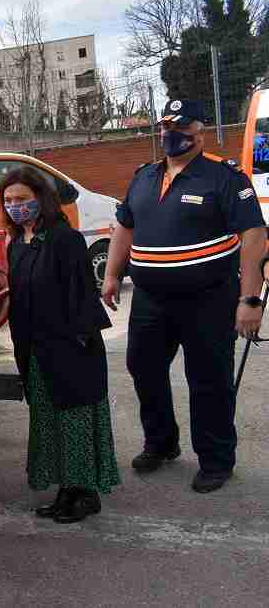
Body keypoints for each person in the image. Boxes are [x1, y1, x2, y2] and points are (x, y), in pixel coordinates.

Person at [102, 99, 266, 494]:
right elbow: (124, 228)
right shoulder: (143, 177)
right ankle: (161, 443)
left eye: (179, 127)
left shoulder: (224, 178)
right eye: (165, 127)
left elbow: (254, 237)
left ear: (200, 131)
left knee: (208, 381)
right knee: (144, 370)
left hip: (209, 300)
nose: (169, 134)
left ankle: (215, 460)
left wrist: (249, 300)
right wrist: (111, 275)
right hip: (150, 300)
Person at [2, 168, 120, 523]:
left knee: (75, 422)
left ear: (41, 199)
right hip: (35, 350)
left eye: (22, 199)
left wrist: (77, 345)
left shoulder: (62, 238)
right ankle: (66, 491)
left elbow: (80, 295)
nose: (15, 207)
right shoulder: (18, 242)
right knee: (49, 421)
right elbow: (19, 292)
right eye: (8, 201)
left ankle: (82, 495)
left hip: (69, 348)